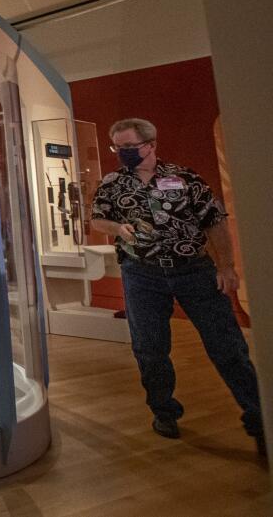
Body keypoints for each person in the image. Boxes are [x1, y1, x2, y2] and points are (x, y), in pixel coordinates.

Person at [90, 118, 264, 456]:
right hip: (142, 273)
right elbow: (97, 218)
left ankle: (259, 421)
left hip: (194, 270)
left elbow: (214, 221)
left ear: (151, 144)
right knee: (150, 348)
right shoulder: (112, 184)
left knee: (228, 346)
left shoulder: (184, 178)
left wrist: (227, 265)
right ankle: (164, 411)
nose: (123, 154)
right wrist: (117, 227)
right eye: (118, 148)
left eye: (130, 147)